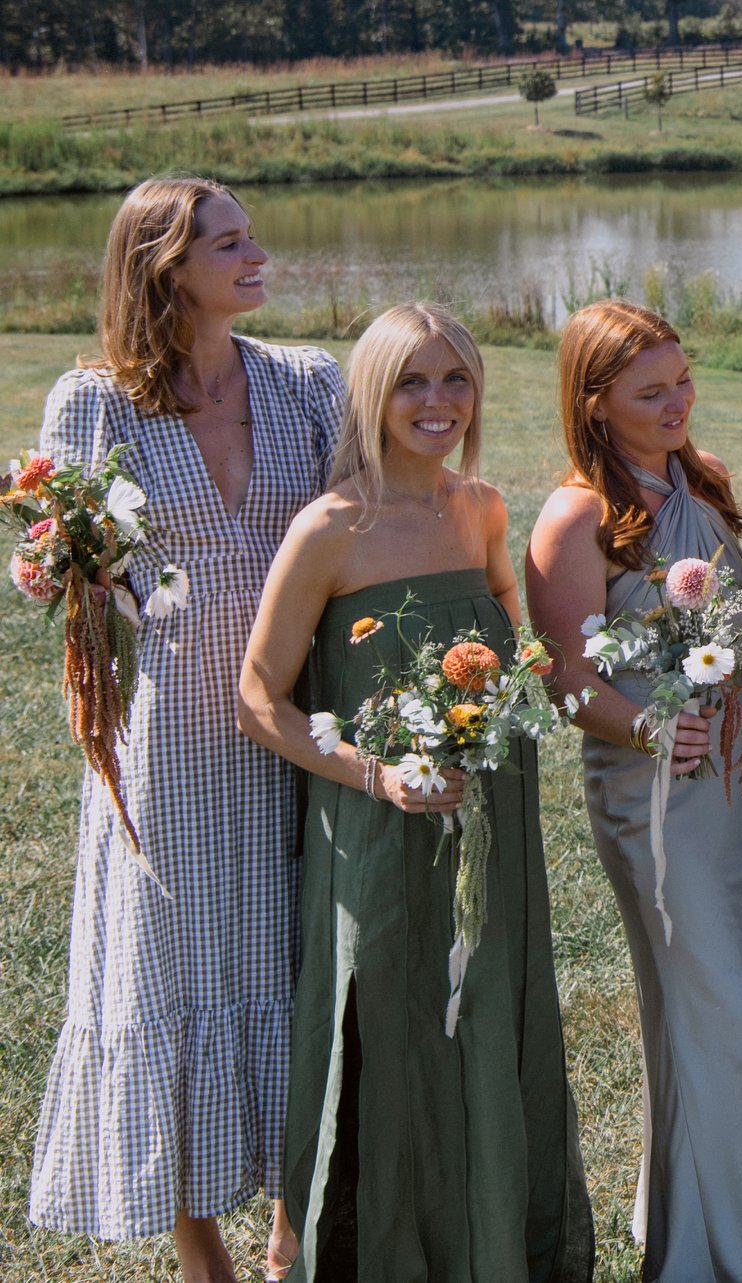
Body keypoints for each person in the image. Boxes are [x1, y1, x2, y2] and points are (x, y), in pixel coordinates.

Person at [234, 303, 592, 1280]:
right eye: (412, 381)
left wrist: (512, 688)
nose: (438, 401)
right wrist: (375, 772)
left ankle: (497, 1243)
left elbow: (511, 626)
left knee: (486, 1013)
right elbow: (256, 698)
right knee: (390, 1037)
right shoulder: (330, 528)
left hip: (491, 821)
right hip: (377, 834)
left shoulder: (477, 506)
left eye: (455, 379)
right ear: (373, 393)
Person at [27, 177, 342, 1283]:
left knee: (302, 962)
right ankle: (198, 1239)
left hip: (302, 715)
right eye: (228, 243)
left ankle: (293, 1223)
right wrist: (70, 573)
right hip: (168, 743)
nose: (258, 255)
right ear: (165, 268)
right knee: (172, 967)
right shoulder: (94, 404)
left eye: (253, 235)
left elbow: (368, 518)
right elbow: (63, 577)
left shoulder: (306, 382)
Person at [525, 300, 742, 1282]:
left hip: (729, 775)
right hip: (651, 787)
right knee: (710, 999)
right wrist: (649, 723)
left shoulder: (701, 478)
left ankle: (683, 1229)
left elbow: (735, 616)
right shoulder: (575, 519)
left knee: (708, 1003)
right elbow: (564, 678)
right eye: (651, 390)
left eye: (682, 378)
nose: (679, 399)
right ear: (594, 405)